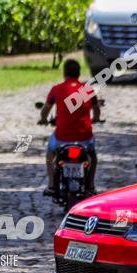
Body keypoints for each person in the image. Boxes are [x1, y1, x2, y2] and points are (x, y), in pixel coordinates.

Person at [38, 59, 101, 196]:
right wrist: (95, 119)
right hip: (84, 138)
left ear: (64, 73)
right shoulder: (87, 90)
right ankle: (90, 185)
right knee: (93, 157)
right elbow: (96, 109)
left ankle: (51, 184)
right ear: (79, 74)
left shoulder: (57, 89)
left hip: (62, 137)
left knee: (50, 152)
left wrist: (43, 119)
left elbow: (45, 110)